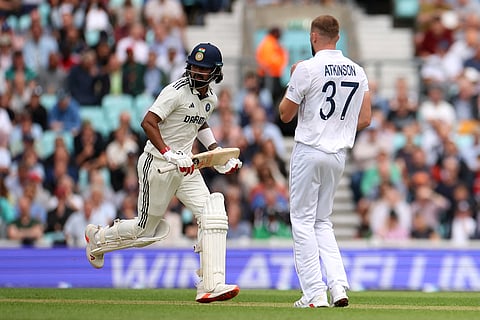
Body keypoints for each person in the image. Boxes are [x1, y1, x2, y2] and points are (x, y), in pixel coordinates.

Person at [84, 43, 242, 303]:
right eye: (194, 66)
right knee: (146, 231)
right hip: (157, 163)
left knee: (212, 212)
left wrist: (216, 152)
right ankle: (98, 238)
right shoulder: (175, 91)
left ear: (215, 73)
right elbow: (148, 121)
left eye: (203, 69)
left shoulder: (210, 99)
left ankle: (211, 283)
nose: (196, 72)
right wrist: (169, 152)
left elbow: (199, 121)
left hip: (186, 166)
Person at [278, 15, 371, 308]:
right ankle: (339, 287)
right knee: (322, 222)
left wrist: (293, 79)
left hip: (309, 149)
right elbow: (366, 119)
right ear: (338, 37)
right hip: (337, 154)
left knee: (303, 221)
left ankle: (314, 293)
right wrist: (337, 129)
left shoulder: (306, 68)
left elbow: (285, 114)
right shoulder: (358, 71)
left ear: (314, 37)